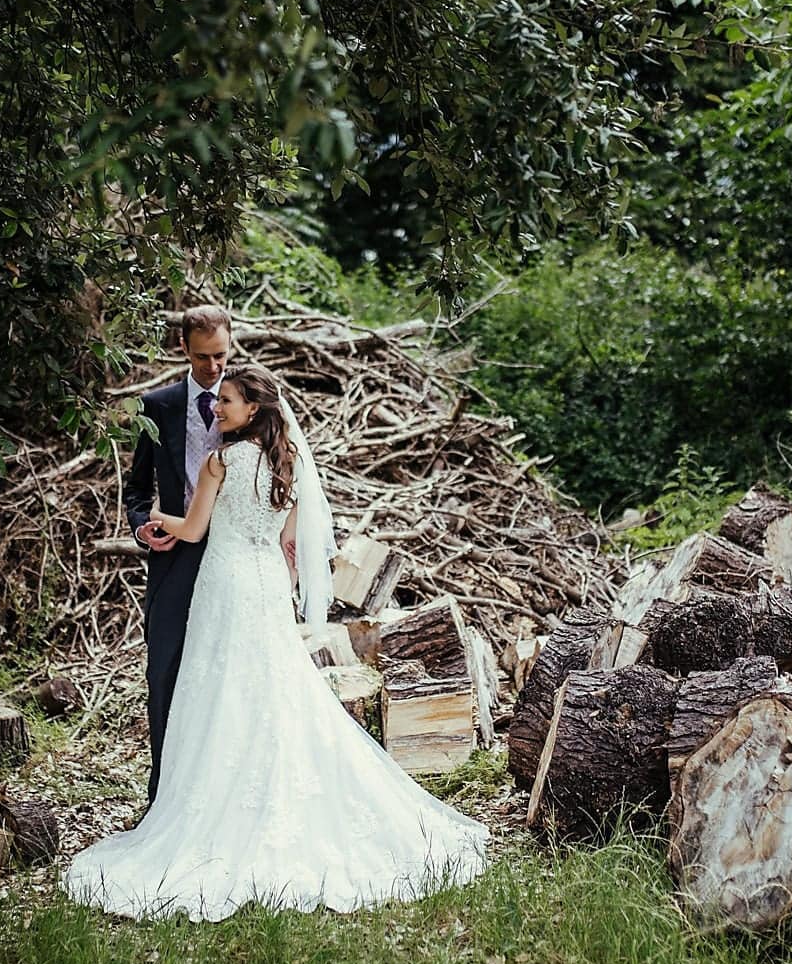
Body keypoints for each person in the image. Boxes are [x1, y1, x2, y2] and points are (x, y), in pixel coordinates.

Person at [66, 365, 490, 921]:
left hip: (224, 586)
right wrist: (279, 585)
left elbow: (193, 532)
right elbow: (291, 545)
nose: (217, 408)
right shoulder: (287, 463)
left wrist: (152, 522)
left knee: (220, 690)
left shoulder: (222, 461)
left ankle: (217, 808)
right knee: (275, 689)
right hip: (265, 587)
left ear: (253, 410)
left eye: (228, 402)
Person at [122, 305, 232, 805]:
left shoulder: (248, 404)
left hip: (231, 556)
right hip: (173, 557)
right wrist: (144, 529)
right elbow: (136, 490)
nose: (214, 368)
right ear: (184, 350)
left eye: (222, 356)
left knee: (227, 672)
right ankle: (164, 794)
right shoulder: (157, 405)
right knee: (164, 667)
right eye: (204, 358)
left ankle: (221, 792)